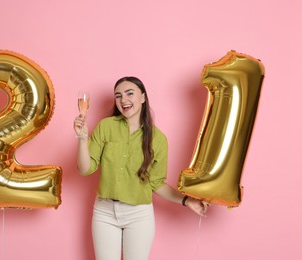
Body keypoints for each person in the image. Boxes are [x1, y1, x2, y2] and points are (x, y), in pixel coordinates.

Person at [73, 76, 209, 260]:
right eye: (118, 95)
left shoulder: (158, 139)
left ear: (143, 97)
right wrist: (82, 138)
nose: (123, 100)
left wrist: (187, 200)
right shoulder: (106, 126)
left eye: (130, 94)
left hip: (138, 215)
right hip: (104, 212)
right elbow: (85, 168)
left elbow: (156, 183)